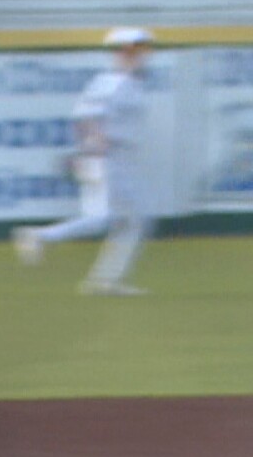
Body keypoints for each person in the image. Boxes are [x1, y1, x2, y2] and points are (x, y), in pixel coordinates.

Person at [11, 27, 155, 296]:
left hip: (121, 159)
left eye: (143, 48)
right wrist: (92, 146)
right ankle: (39, 236)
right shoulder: (111, 81)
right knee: (102, 218)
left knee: (134, 220)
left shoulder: (131, 82)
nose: (143, 53)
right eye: (137, 48)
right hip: (106, 158)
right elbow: (85, 116)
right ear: (124, 50)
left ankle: (106, 281)